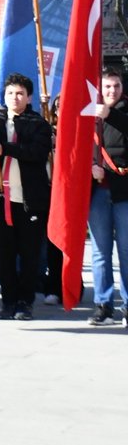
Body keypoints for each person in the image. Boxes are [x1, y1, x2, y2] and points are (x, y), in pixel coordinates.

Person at [0, 73, 51, 321]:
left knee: (30, 255)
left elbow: (36, 153)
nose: (15, 97)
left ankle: (25, 301)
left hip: (29, 200)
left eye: (20, 93)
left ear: (29, 97)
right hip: (0, 200)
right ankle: (8, 300)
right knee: (6, 254)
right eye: (10, 93)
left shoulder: (38, 123)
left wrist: (5, 148)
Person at [90, 67, 128, 326]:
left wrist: (110, 114)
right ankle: (103, 304)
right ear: (99, 90)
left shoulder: (123, 112)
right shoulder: (89, 114)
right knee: (100, 252)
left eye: (115, 86)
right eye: (106, 87)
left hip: (124, 192)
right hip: (96, 194)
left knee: (126, 251)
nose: (111, 90)